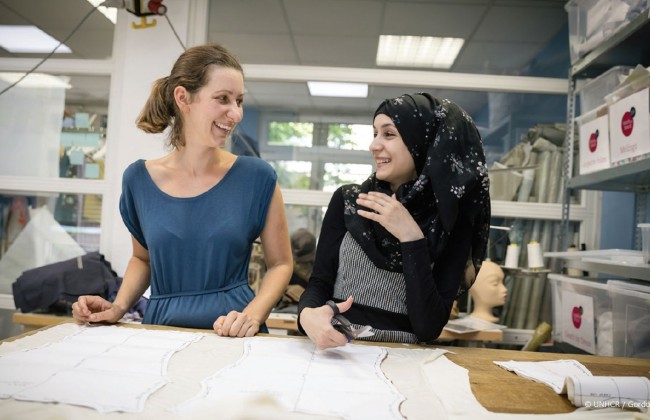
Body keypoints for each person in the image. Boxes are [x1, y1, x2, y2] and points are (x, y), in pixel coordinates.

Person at [71, 44, 293, 337]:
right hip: (162, 328)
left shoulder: (258, 177)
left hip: (235, 330)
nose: (236, 113)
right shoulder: (138, 180)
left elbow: (281, 264)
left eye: (238, 100)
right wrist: (118, 306)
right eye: (223, 99)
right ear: (183, 98)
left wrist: (252, 315)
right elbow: (143, 259)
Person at [298, 93, 491, 349]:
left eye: (388, 134)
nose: (374, 145)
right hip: (337, 349)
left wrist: (411, 238)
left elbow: (428, 327)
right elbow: (319, 282)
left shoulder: (452, 219)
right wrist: (306, 315)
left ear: (425, 143)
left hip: (404, 360)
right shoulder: (350, 200)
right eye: (374, 133)